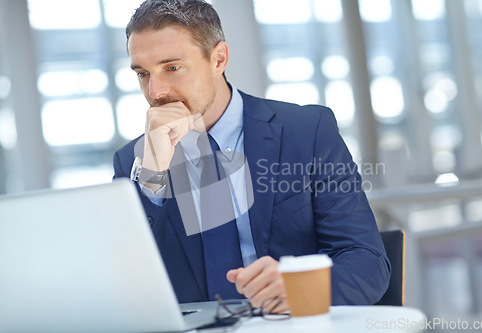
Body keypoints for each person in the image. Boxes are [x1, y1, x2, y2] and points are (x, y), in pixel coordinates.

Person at [113, 0, 390, 312]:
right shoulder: (133, 163)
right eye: (142, 73)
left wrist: (301, 289)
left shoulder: (306, 132)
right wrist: (153, 172)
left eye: (172, 67)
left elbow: (367, 262)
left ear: (219, 58)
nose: (156, 91)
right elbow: (124, 283)